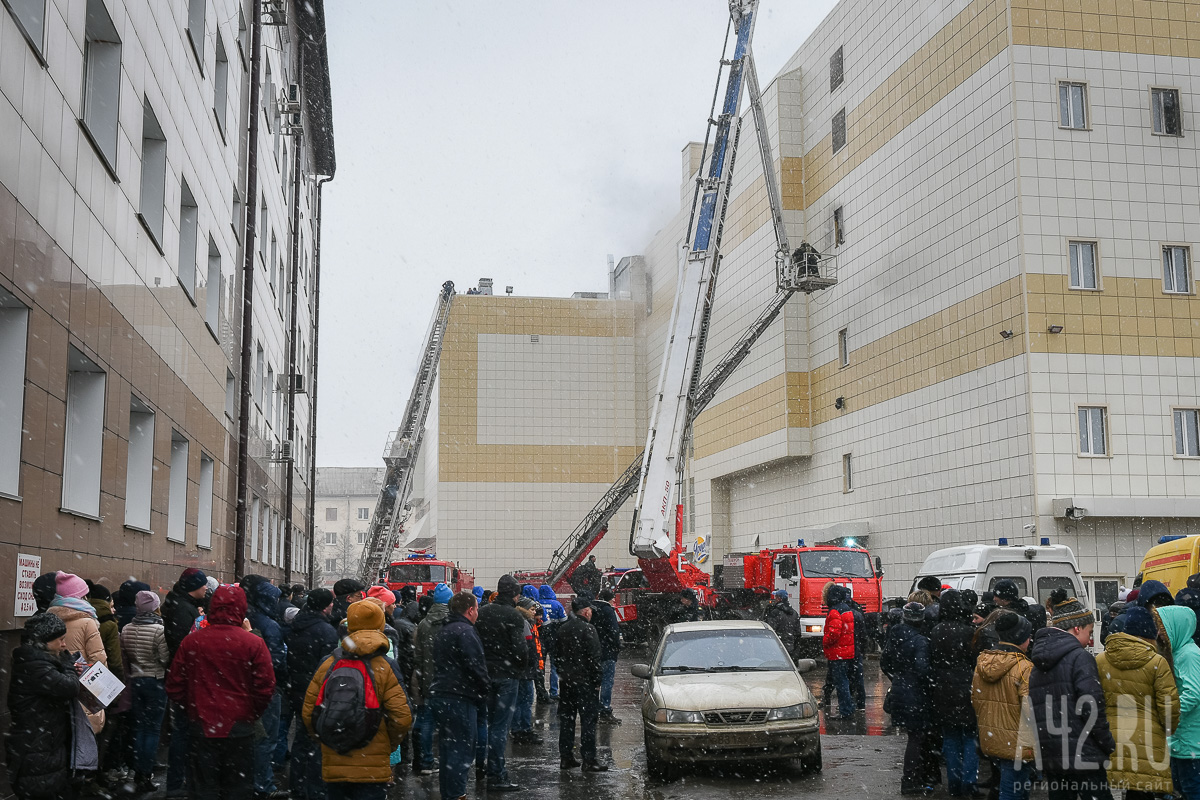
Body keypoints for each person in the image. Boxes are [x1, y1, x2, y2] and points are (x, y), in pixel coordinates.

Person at [166, 584, 276, 800]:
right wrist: (251, 713)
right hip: (240, 727)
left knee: (202, 788)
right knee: (237, 787)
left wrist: (192, 708)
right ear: (242, 608)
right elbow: (265, 686)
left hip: (201, 726)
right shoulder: (254, 643)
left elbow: (175, 684)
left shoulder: (192, 641)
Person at [302, 600, 413, 800]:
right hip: (373, 764)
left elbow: (309, 712)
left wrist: (326, 739)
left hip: (335, 758)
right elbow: (402, 717)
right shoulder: (386, 666)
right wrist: (388, 745)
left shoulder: (329, 663)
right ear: (380, 625)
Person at [1028, 594, 1114, 800]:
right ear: (1077, 629)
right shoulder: (1080, 657)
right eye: (1089, 632)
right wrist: (1107, 742)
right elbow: (1092, 706)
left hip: (1052, 752)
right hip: (1085, 753)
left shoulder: (1038, 660)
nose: (1091, 638)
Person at [1095, 606, 1179, 800]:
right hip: (1148, 740)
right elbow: (1169, 707)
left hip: (1112, 738)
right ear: (1150, 634)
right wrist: (1167, 730)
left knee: (1123, 787)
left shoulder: (1101, 660)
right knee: (1143, 791)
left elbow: (1094, 700)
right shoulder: (1157, 662)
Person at [6, 613, 86, 800]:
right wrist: (68, 668)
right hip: (36, 747)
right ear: (43, 642)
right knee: (42, 790)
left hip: (42, 743)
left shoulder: (37, 660)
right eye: (60, 640)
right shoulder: (35, 664)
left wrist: (69, 668)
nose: (64, 645)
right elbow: (69, 687)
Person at [431, 591, 490, 800]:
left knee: (448, 750)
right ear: (470, 610)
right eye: (477, 608)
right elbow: (475, 666)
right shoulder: (465, 632)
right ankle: (456, 794)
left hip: (442, 694)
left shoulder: (445, 629)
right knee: (461, 750)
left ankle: (450, 793)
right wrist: (484, 689)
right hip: (460, 697)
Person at [972, 611, 1036, 800]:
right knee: (1012, 791)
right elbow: (1029, 710)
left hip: (992, 737)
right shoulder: (1024, 667)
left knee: (1012, 787)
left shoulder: (983, 662)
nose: (1030, 641)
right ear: (1020, 638)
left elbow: (976, 699)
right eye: (1028, 637)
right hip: (1017, 742)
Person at [474, 575, 528, 792]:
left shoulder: (482, 613)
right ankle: (497, 775)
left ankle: (481, 767)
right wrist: (519, 669)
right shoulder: (513, 616)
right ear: (515, 595)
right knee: (500, 725)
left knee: (483, 722)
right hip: (506, 676)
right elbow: (520, 649)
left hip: (484, 674)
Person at [285, 589, 338, 800]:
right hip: (316, 691)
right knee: (317, 742)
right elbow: (328, 666)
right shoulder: (326, 631)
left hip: (297, 688)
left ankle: (297, 786)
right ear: (326, 606)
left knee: (301, 738)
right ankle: (316, 790)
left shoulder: (295, 626)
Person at [161, 567, 208, 798]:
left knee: (182, 730)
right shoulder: (182, 609)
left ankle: (179, 782)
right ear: (193, 588)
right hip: (186, 676)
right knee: (183, 732)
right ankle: (178, 784)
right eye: (203, 585)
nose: (206, 588)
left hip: (180, 673)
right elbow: (183, 645)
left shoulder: (178, 603)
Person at [120, 590, 172, 794]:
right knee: (152, 730)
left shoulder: (126, 628)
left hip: (136, 681)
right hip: (155, 681)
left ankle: (136, 770)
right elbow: (164, 658)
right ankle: (145, 773)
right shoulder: (160, 630)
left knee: (139, 728)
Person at [929, 590, 979, 797]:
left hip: (942, 689)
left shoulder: (936, 630)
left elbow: (932, 660)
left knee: (950, 738)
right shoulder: (969, 631)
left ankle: (954, 783)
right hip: (966, 688)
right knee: (970, 737)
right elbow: (975, 661)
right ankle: (969, 782)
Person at [882, 602, 935, 795]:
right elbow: (922, 669)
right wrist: (930, 679)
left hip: (900, 689)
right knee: (916, 737)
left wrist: (897, 678)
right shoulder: (921, 641)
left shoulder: (895, 634)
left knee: (914, 736)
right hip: (914, 693)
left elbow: (884, 661)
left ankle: (912, 778)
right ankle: (911, 780)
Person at [245, 579, 289, 800]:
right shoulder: (269, 624)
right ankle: (264, 784)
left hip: (244, 688)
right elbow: (274, 660)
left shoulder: (246, 617)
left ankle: (252, 781)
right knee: (265, 739)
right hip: (267, 689)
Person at [555, 597, 608, 772]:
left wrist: (563, 673)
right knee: (588, 722)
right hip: (585, 683)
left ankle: (566, 757)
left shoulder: (563, 629)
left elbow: (556, 656)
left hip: (567, 683)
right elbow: (594, 658)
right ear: (585, 611)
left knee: (567, 721)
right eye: (590, 610)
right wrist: (597, 681)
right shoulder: (589, 629)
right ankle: (589, 759)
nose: (591, 613)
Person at [412, 582, 453, 776]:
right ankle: (449, 761)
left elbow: (418, 656)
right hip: (450, 682)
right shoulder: (453, 621)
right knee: (449, 724)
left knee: (426, 721)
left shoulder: (423, 624)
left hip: (428, 679)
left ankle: (426, 761)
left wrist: (420, 679)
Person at [1160, 605, 1200, 799]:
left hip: (1191, 742)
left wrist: (1168, 712)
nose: (1160, 632)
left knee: (1189, 790)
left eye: (1163, 627)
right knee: (1179, 790)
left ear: (1177, 627)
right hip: (1182, 739)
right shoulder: (1179, 653)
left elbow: (1193, 694)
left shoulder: (1188, 655)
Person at [46, 571, 107, 667]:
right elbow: (98, 657)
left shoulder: (49, 619)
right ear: (79, 597)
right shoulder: (87, 622)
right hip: (82, 677)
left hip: (57, 675)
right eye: (84, 595)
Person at [510, 597, 543, 745]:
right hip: (525, 670)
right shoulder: (524, 624)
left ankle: (519, 729)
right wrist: (532, 666)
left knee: (521, 699)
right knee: (525, 699)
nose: (534, 611)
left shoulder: (524, 622)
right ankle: (523, 730)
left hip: (523, 669)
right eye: (532, 609)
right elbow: (528, 648)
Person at [823, 584, 857, 719]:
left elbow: (833, 633)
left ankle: (846, 711)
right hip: (847, 652)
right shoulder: (847, 609)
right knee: (846, 682)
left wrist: (825, 641)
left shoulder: (834, 611)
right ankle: (849, 708)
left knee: (841, 683)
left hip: (838, 654)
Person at [592, 588, 622, 724]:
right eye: (613, 598)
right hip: (607, 651)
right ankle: (605, 709)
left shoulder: (592, 609)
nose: (614, 600)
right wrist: (617, 645)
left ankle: (593, 707)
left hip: (595, 651)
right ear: (609, 599)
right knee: (607, 681)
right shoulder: (608, 610)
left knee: (595, 681)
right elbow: (614, 631)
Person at [764, 589, 800, 658]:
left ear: (779, 598)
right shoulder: (794, 613)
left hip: (777, 647)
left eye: (776, 597)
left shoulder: (775, 613)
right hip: (790, 648)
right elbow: (798, 633)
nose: (775, 599)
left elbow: (770, 630)